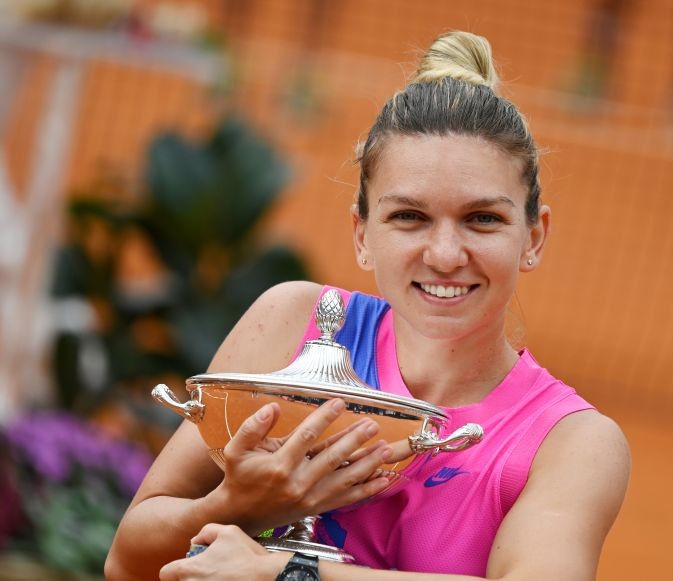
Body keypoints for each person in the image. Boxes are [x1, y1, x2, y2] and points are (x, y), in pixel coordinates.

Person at [105, 31, 630, 580]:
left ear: (534, 236)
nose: (446, 255)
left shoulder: (570, 443)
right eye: (409, 217)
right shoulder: (290, 323)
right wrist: (236, 503)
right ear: (361, 234)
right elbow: (126, 563)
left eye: (483, 219)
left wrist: (286, 573)